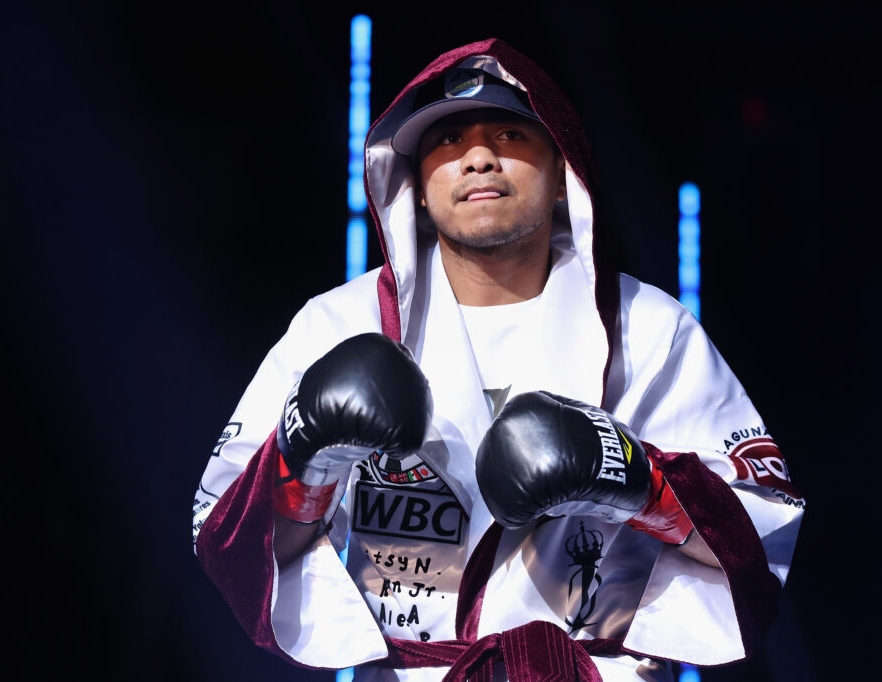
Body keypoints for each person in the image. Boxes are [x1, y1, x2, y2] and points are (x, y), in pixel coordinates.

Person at [192, 38, 803, 681]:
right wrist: (305, 455)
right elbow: (236, 548)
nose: (478, 157)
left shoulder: (649, 329)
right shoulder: (339, 326)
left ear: (564, 174)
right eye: (448, 141)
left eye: (509, 134)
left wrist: (638, 481)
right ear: (417, 188)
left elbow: (756, 554)